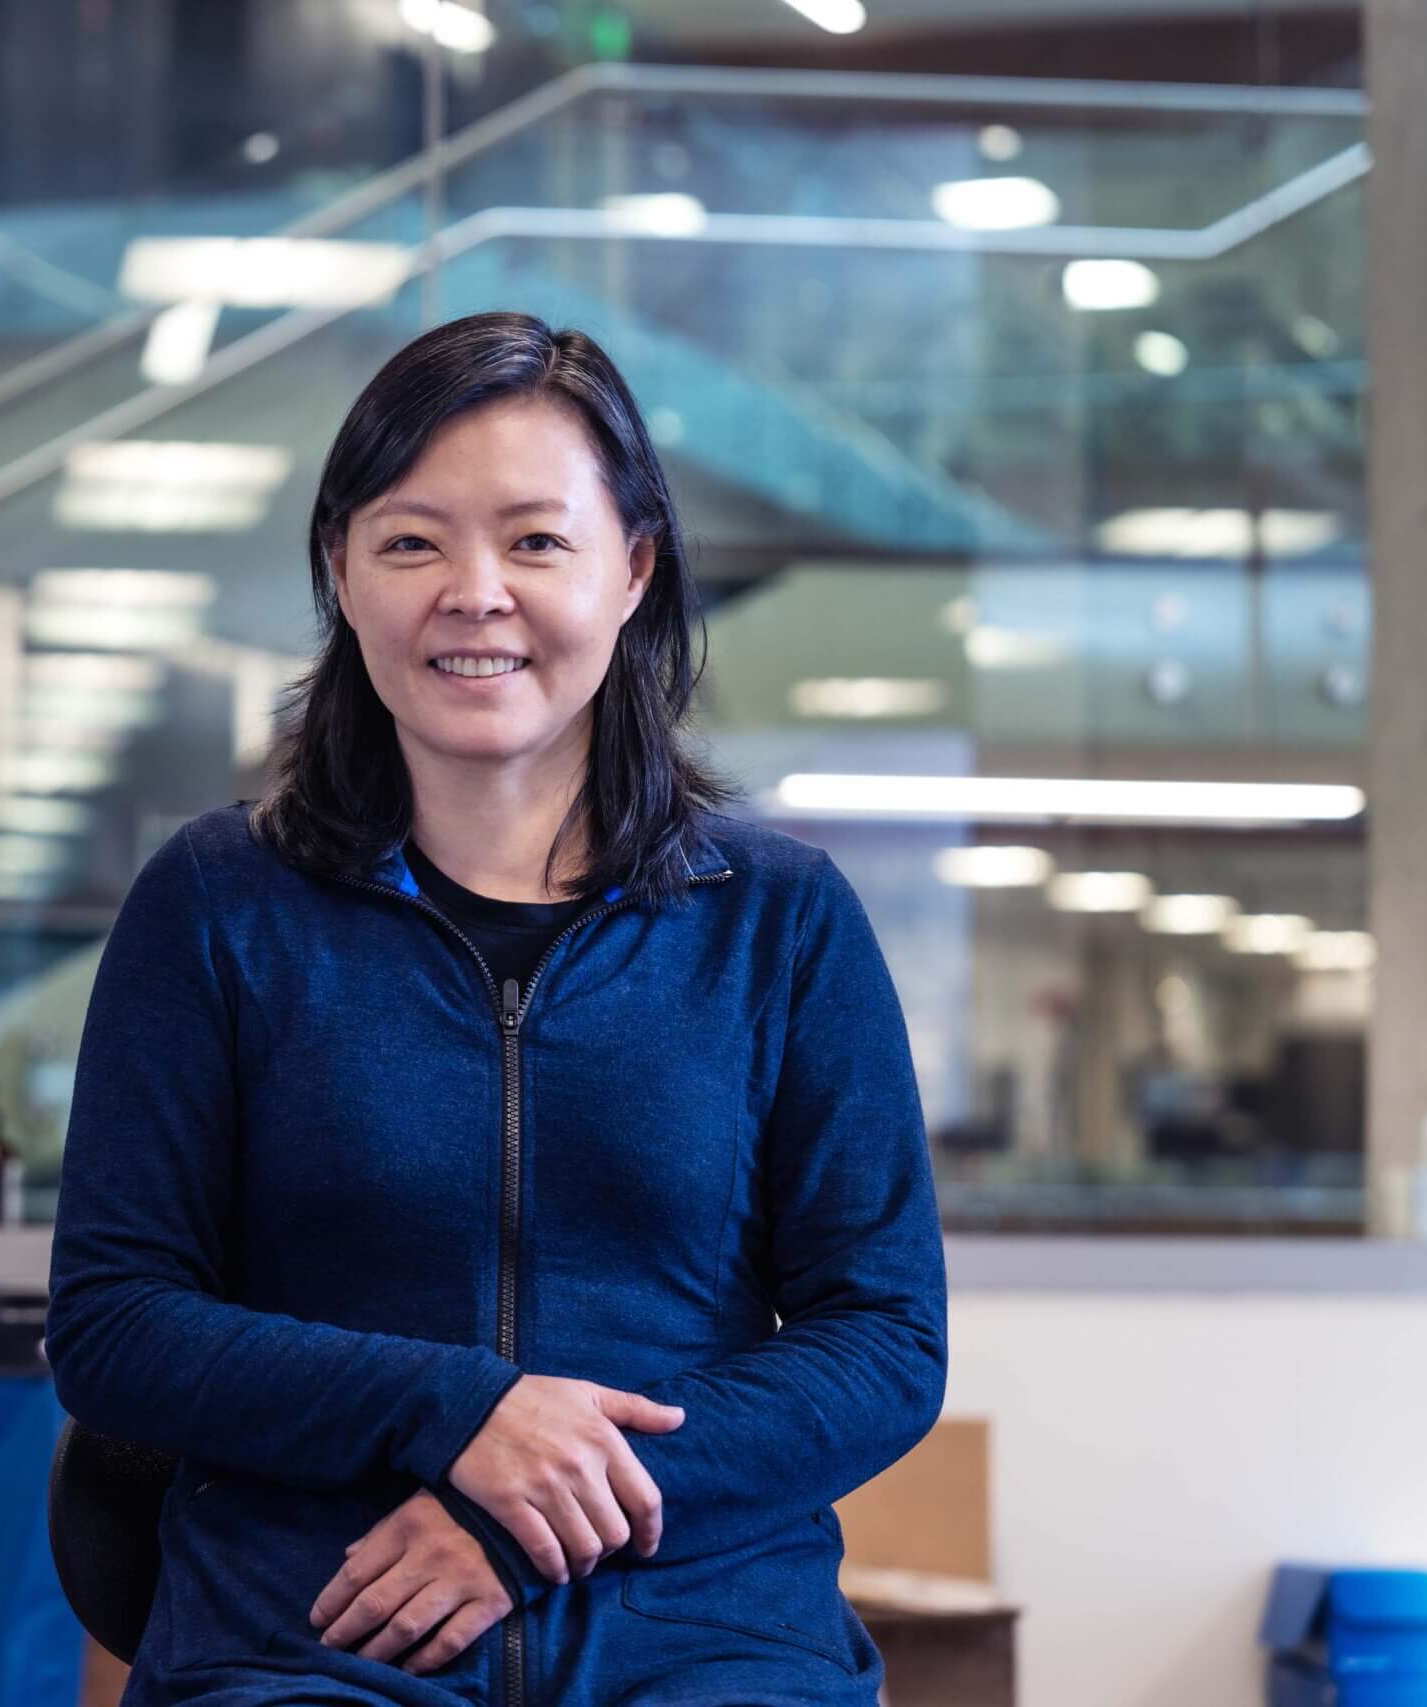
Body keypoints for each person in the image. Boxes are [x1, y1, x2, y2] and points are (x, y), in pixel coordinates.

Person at [46, 311, 947, 1706]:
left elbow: (885, 1340)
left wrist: (525, 1513)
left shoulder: (778, 920)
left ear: (634, 569)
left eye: (536, 541)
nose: (476, 592)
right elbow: (115, 1324)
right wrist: (458, 1413)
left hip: (704, 1635)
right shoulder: (219, 904)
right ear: (341, 571)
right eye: (414, 541)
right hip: (320, 1635)